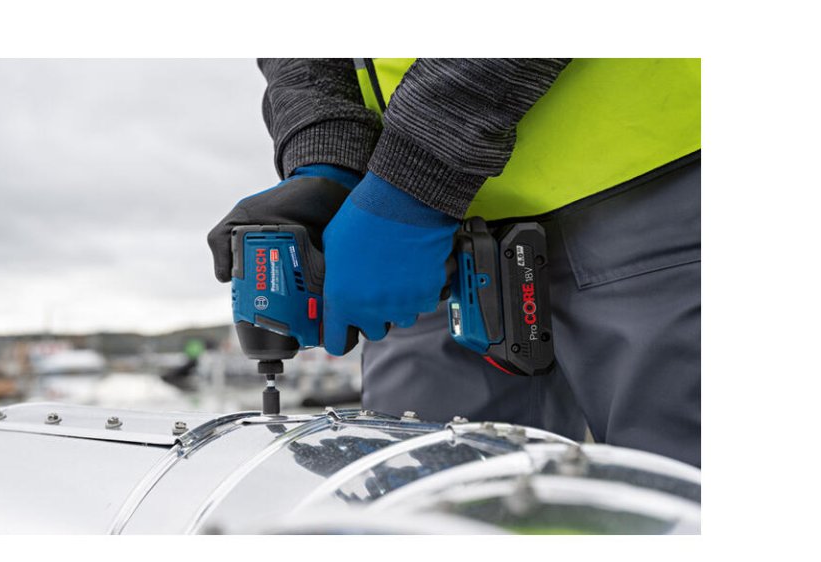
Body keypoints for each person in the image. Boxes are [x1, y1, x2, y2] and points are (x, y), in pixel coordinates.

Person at [208, 59, 700, 466]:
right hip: (416, 238)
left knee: (679, 495)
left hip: (649, 192)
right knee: (422, 503)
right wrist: (329, 155)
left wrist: (413, 180)